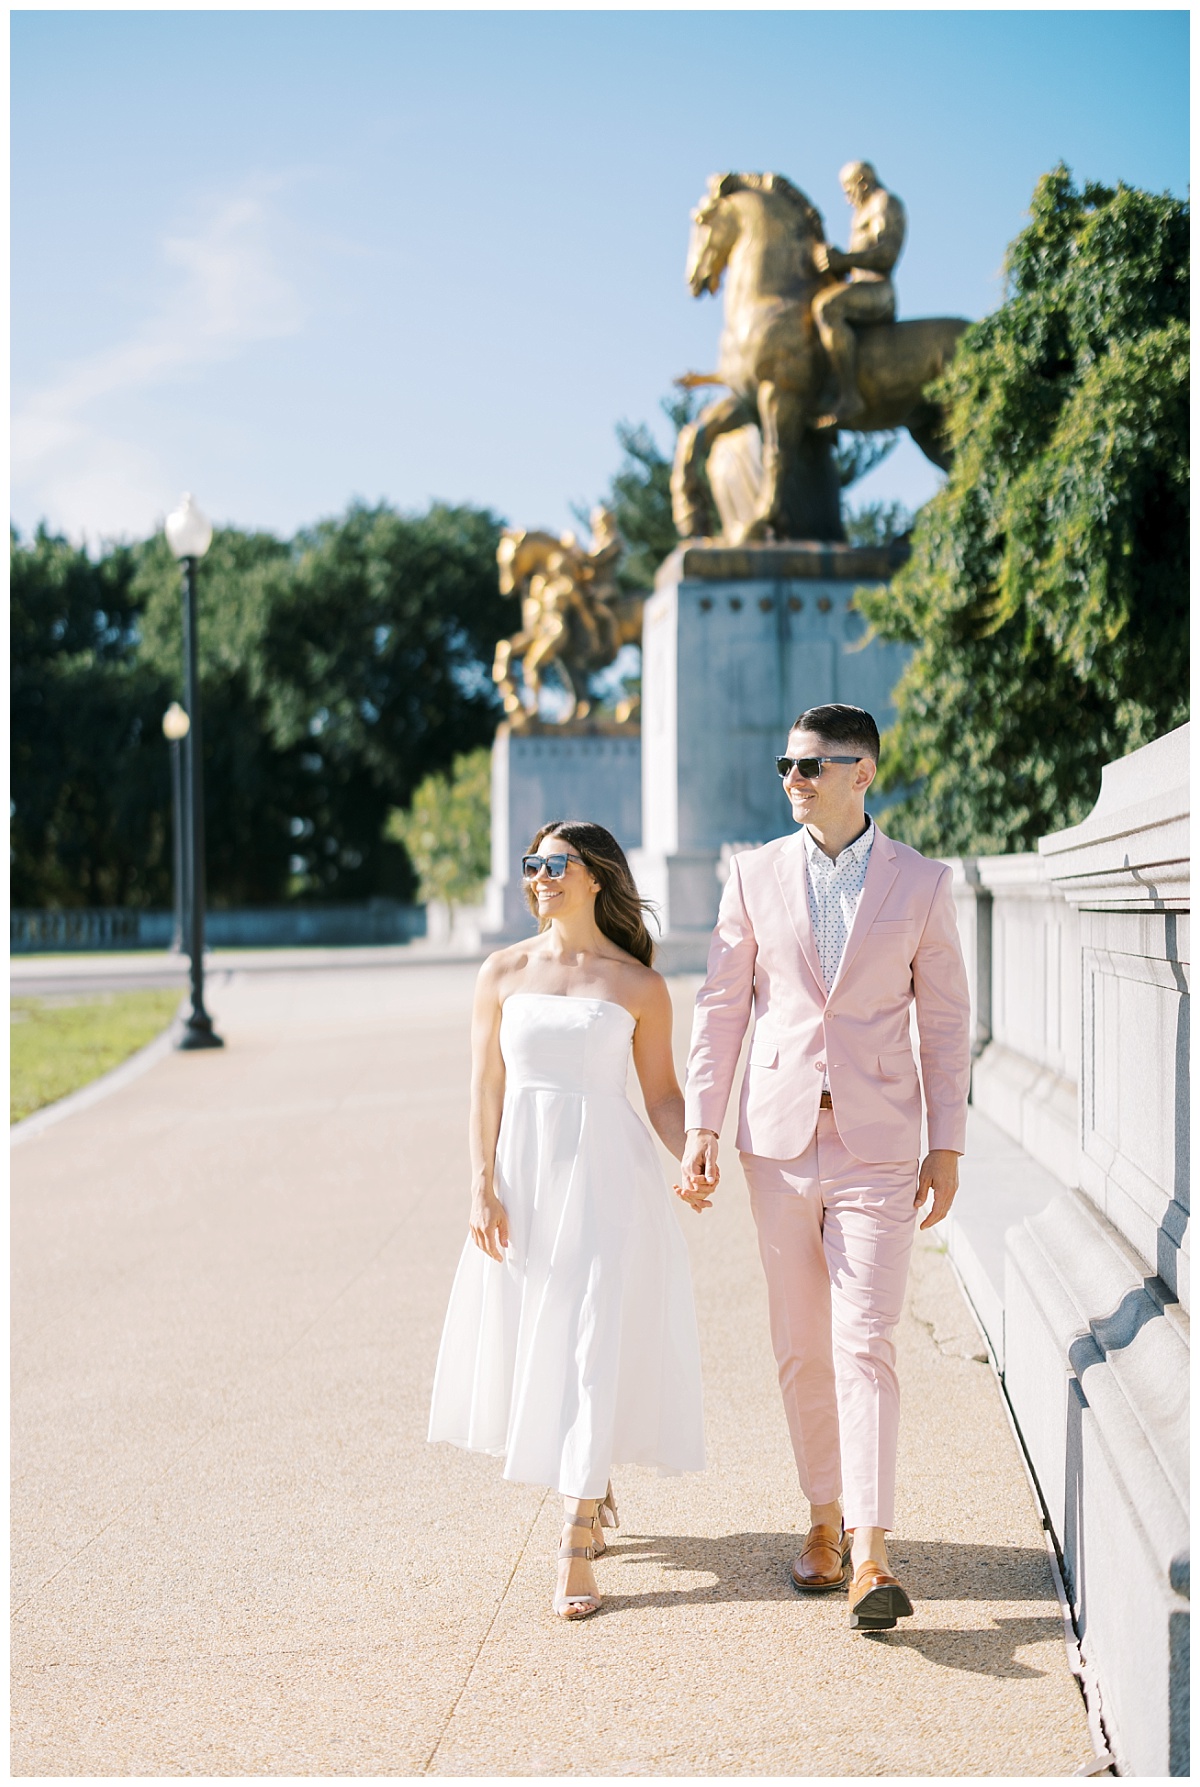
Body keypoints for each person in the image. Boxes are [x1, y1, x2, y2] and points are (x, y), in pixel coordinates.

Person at [680, 704, 970, 1631]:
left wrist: (948, 1142)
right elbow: (721, 1006)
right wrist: (702, 1125)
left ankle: (874, 1552)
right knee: (802, 1343)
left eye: (811, 765)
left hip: (882, 1145)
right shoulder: (752, 873)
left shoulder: (922, 883)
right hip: (778, 1142)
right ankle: (822, 1517)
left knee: (866, 1343)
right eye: (786, 764)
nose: (793, 778)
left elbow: (946, 1019)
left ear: (863, 773)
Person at [428, 820, 707, 1620]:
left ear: (595, 877)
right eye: (533, 864)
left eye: (557, 863)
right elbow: (485, 1087)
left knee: (592, 1334)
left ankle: (575, 1536)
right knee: (538, 1333)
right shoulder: (502, 971)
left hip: (608, 1177)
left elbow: (659, 1093)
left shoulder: (637, 984)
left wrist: (691, 1152)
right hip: (525, 1172)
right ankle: (591, 1472)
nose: (541, 875)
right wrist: (481, 1184)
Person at [811, 160, 907, 428]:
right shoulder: (860, 213)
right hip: (861, 287)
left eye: (848, 189)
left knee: (826, 307)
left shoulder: (885, 203)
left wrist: (844, 259)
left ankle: (850, 396)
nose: (847, 198)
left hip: (879, 292)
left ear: (862, 182)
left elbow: (887, 254)